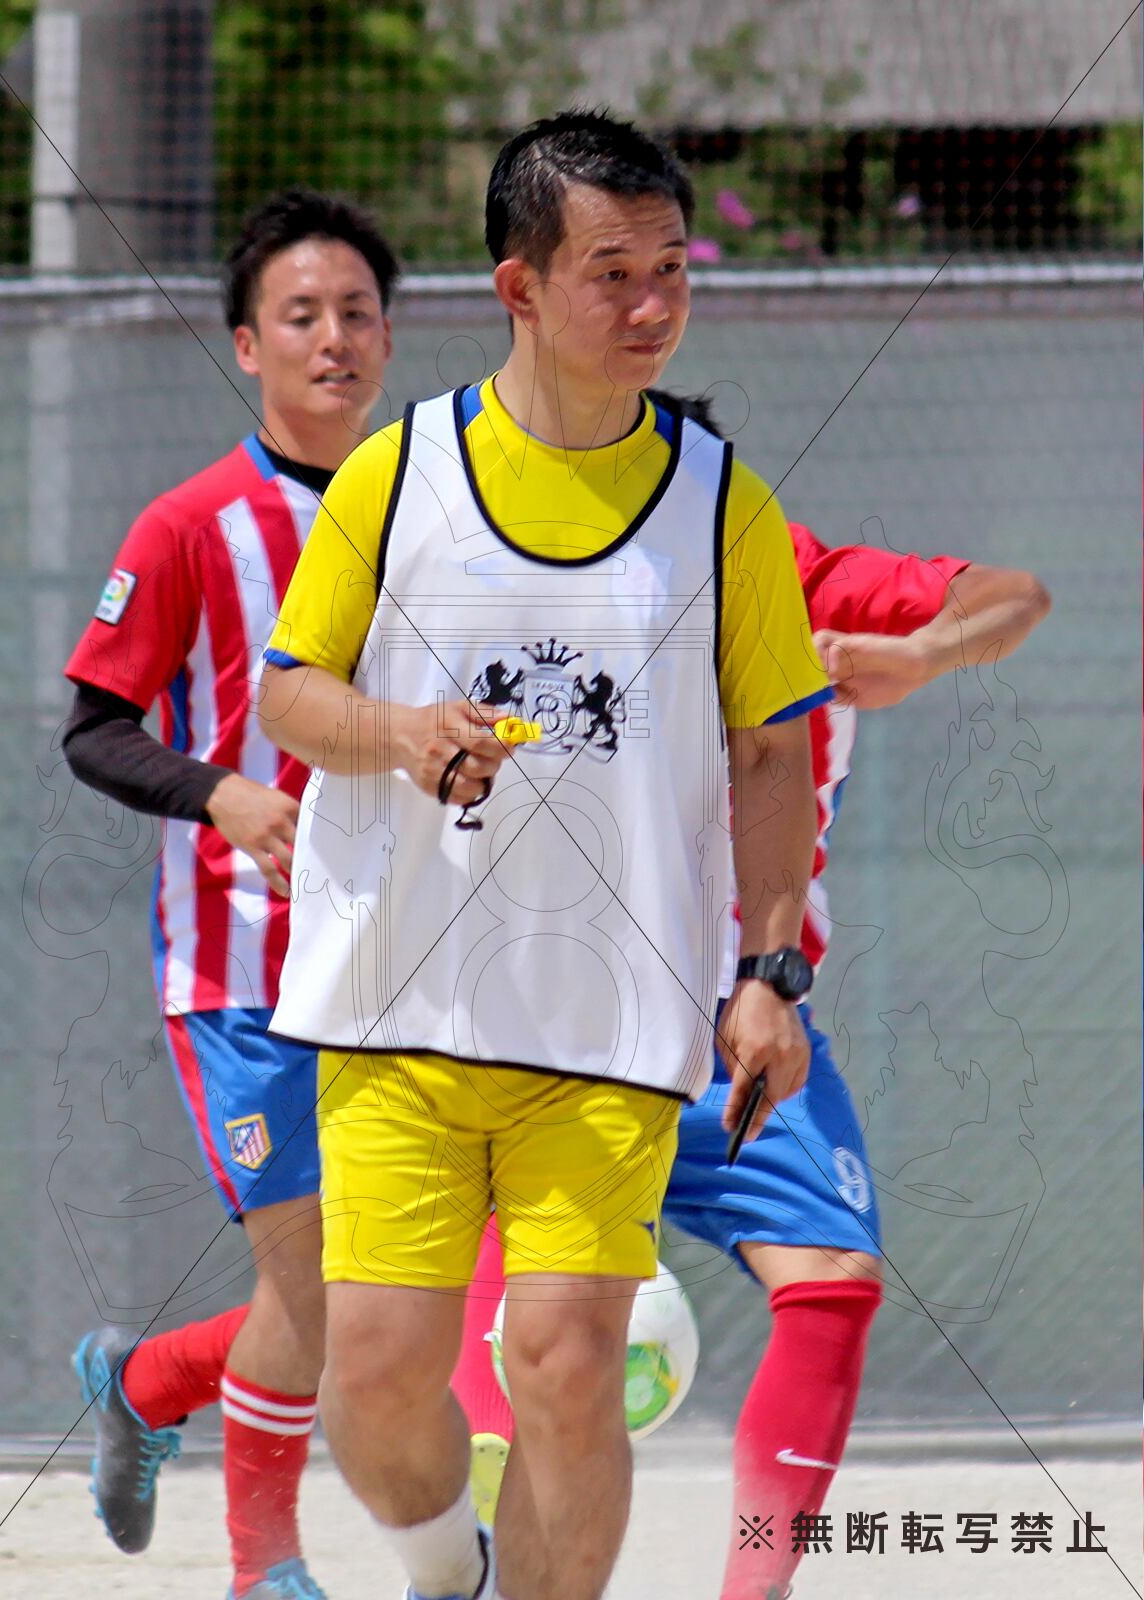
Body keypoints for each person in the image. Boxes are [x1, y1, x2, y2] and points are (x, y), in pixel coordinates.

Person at [256, 110, 831, 1600]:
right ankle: (447, 1568)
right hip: (399, 1006)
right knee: (377, 1371)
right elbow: (289, 695)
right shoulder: (398, 475)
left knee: (570, 1362)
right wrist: (399, 733)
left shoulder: (723, 504)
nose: (651, 304)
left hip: (609, 1019)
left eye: (671, 270)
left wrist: (770, 972)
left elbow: (773, 754)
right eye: (611, 274)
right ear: (519, 287)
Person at [451, 388, 1053, 1600]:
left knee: (832, 1281)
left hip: (747, 1018)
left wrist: (920, 653)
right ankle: (476, 1542)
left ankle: (751, 1588)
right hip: (567, 1017)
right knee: (490, 1306)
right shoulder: (530, 600)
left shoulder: (793, 570)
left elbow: (1016, 595)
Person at [63, 188, 399, 1600]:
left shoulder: (438, 514)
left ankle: (144, 1381)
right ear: (249, 347)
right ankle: (266, 1570)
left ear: (389, 338)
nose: (334, 338)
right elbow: (93, 728)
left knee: (380, 1301)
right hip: (243, 976)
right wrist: (221, 793)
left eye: (358, 312)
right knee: (312, 1289)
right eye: (301, 315)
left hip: (409, 970)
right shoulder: (193, 523)